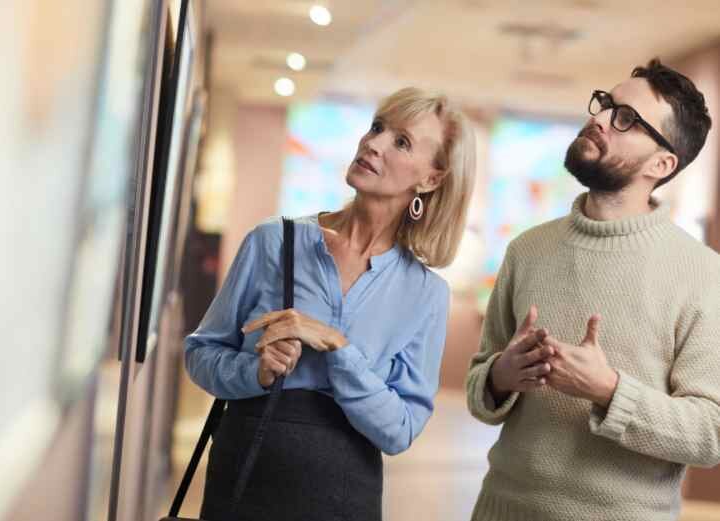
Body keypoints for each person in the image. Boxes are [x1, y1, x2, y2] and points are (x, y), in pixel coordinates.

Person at [184, 87, 476, 521]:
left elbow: (399, 431)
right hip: (246, 479)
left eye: (401, 142)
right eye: (377, 127)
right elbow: (200, 354)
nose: (373, 144)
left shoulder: (426, 294)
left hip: (344, 495)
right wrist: (257, 372)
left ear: (431, 178)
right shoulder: (274, 242)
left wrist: (339, 348)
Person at [466, 58, 719, 521]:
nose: (600, 119)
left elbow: (711, 433)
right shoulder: (527, 249)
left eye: (626, 119)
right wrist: (502, 374)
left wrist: (608, 390)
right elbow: (480, 381)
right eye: (606, 104)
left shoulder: (704, 273)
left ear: (662, 163)